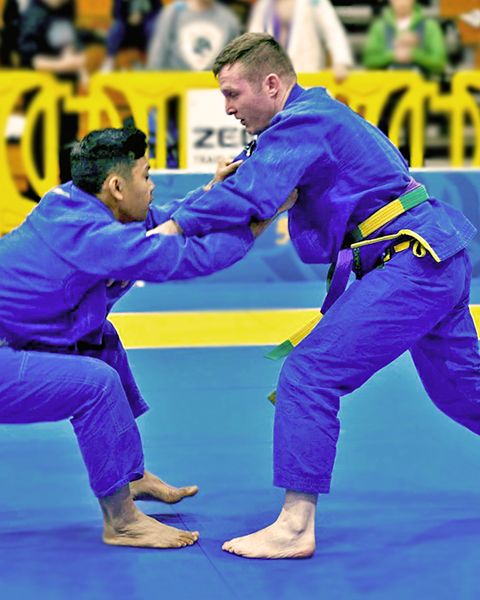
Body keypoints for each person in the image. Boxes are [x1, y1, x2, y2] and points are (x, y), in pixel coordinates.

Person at [157, 33, 479, 559]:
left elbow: (249, 199)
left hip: (414, 262)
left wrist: (168, 232)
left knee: (309, 372)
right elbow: (236, 188)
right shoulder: (301, 122)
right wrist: (181, 212)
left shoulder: (304, 122)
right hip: (433, 256)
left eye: (233, 94)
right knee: (462, 392)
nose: (228, 107)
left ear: (271, 83)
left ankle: (295, 526)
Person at [0, 126, 290, 549]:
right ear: (117, 186)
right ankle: (121, 522)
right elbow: (194, 256)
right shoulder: (89, 236)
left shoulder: (83, 204)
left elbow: (165, 221)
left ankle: (130, 476)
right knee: (94, 384)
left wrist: (213, 190)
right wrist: (263, 218)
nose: (152, 186)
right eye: (147, 175)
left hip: (16, 334)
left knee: (102, 341)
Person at [248, 0, 353, 82]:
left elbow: (332, 30)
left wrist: (341, 61)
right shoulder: (264, 5)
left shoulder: (314, 1)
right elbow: (253, 40)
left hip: (307, 72)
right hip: (273, 76)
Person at [101, 0, 162, 72]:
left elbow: (158, 10)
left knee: (152, 28)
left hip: (146, 20)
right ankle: (110, 59)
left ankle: (154, 60)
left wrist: (143, 16)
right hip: (126, 22)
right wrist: (128, 17)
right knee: (116, 29)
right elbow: (115, 13)